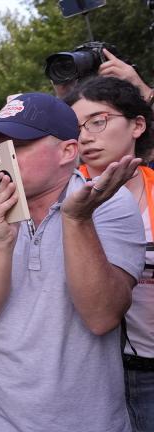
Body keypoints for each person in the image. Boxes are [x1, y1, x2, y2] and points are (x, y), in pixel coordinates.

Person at [0, 92, 146, 432]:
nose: (4, 158)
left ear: (67, 151)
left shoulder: (110, 203)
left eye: (18, 145)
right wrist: (2, 241)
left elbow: (102, 316)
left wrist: (77, 220)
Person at [65, 76, 154, 432]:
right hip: (96, 373)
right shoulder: (60, 196)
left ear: (137, 125)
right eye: (76, 127)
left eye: (98, 121)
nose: (86, 136)